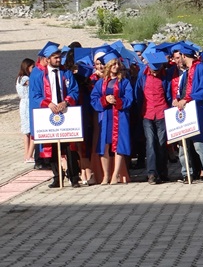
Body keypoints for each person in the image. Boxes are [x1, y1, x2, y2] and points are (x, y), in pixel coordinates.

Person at [29, 41, 82, 188]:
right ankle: (57, 177)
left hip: (65, 111)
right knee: (51, 146)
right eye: (55, 58)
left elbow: (74, 90)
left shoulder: (66, 73)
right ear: (47, 59)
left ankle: (74, 178)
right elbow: (35, 95)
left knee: (69, 147)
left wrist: (66, 101)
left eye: (59, 57)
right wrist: (48, 104)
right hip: (48, 113)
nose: (59, 60)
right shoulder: (38, 74)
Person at [171, 42, 203, 183]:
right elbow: (182, 90)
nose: (179, 59)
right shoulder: (187, 72)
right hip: (185, 110)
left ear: (184, 55)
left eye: (180, 56)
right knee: (183, 145)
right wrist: (177, 100)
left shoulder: (201, 68)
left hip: (198, 111)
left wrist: (187, 99)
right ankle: (187, 173)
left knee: (199, 144)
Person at [91, 52, 135, 184]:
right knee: (104, 145)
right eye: (113, 64)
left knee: (118, 144)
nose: (116, 66)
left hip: (119, 116)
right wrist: (105, 100)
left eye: (117, 64)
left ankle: (116, 174)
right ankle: (106, 175)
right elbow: (93, 99)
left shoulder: (124, 82)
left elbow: (129, 99)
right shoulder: (100, 83)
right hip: (105, 116)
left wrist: (117, 101)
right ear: (108, 66)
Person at [137, 47, 172, 184]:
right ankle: (151, 173)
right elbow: (138, 94)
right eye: (153, 70)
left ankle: (162, 172)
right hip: (147, 113)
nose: (155, 72)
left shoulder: (165, 76)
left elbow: (168, 94)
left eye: (157, 70)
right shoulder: (142, 75)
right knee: (150, 143)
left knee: (162, 143)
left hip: (162, 112)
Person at [17, 58, 34, 163]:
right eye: (32, 67)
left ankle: (27, 155)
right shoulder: (25, 78)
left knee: (26, 131)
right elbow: (33, 84)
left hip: (23, 103)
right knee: (31, 130)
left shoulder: (19, 78)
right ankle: (29, 155)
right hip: (27, 104)